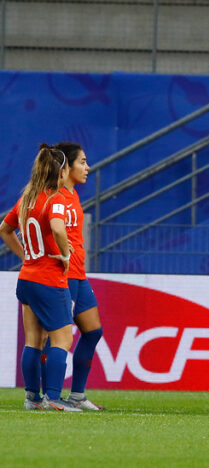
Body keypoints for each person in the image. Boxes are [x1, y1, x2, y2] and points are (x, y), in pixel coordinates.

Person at [0, 144, 78, 411]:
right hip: (48, 278)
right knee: (62, 339)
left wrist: (26, 256)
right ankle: (54, 398)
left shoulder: (26, 200)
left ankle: (32, 398)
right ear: (62, 171)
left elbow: (4, 229)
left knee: (33, 339)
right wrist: (65, 254)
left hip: (27, 277)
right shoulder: (54, 198)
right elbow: (57, 226)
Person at [45, 142, 104, 411]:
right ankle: (46, 396)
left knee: (93, 331)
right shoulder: (55, 196)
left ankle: (77, 395)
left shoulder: (73, 194)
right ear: (66, 167)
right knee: (58, 337)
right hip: (63, 275)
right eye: (82, 162)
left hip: (79, 275)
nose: (87, 167)